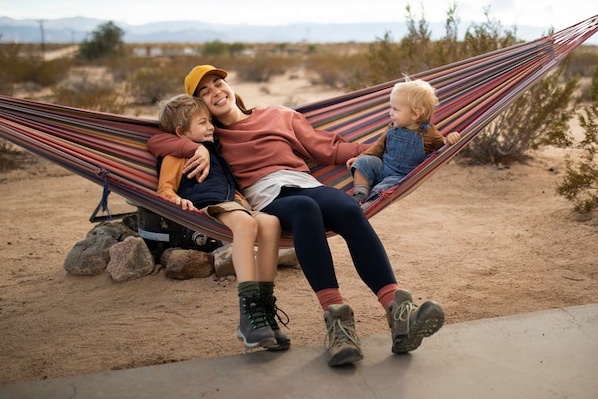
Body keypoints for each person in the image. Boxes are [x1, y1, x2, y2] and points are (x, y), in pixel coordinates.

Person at [148, 65, 445, 367]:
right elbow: (157, 140)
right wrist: (192, 147)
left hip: (305, 183)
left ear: (230, 86)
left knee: (347, 207)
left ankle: (399, 313)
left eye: (218, 83)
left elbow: (327, 148)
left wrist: (385, 152)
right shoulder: (210, 136)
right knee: (306, 210)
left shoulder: (278, 115)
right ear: (199, 106)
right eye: (204, 92)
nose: (215, 92)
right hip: (268, 198)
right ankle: (338, 324)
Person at [155, 93, 289, 351]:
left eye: (210, 121)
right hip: (205, 206)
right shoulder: (175, 154)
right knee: (246, 225)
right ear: (182, 132)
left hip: (234, 204)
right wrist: (177, 201)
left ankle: (264, 308)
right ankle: (249, 315)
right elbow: (165, 189)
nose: (210, 127)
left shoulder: (213, 148)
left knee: (271, 223)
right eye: (203, 122)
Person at [347, 76, 461, 204]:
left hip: (401, 177)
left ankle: (369, 205)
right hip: (383, 167)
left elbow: (443, 151)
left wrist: (450, 140)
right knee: (364, 162)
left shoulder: (429, 133)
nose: (390, 113)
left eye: (395, 109)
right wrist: (361, 157)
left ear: (415, 114)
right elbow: (378, 147)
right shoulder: (391, 128)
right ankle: (360, 195)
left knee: (384, 189)